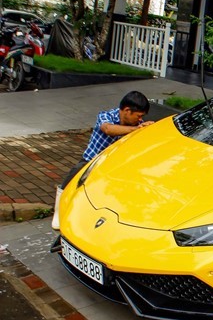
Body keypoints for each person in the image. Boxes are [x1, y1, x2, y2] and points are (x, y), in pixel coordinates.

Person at [51, 91, 154, 230]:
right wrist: (135, 129)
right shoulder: (106, 116)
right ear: (127, 111)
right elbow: (108, 129)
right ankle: (58, 214)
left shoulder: (138, 124)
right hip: (90, 161)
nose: (140, 119)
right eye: (139, 116)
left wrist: (147, 129)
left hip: (112, 166)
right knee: (69, 184)